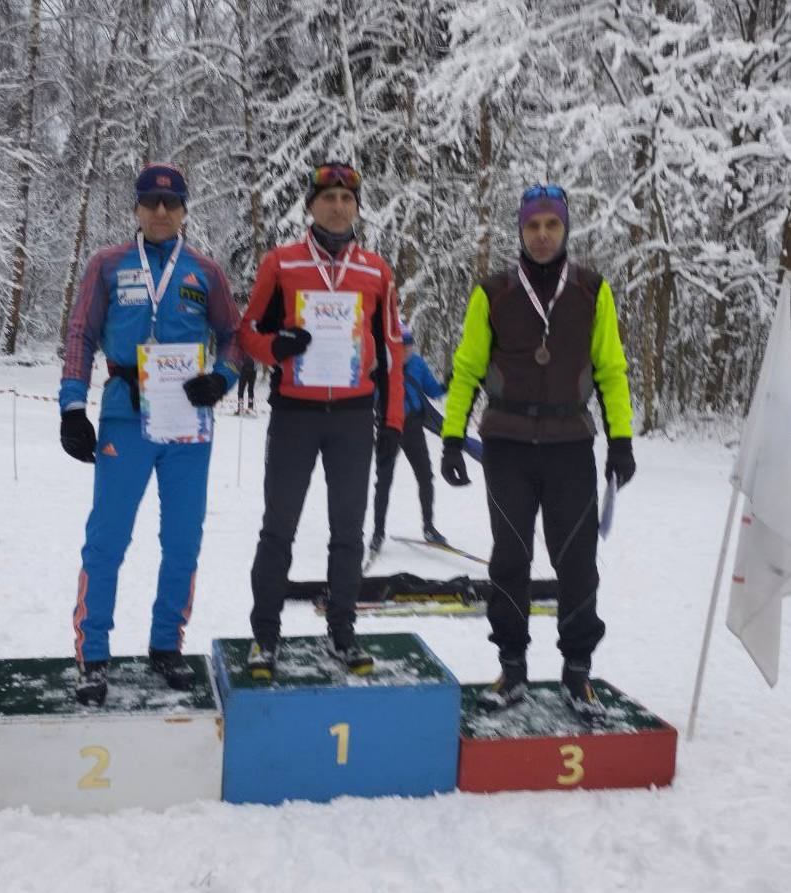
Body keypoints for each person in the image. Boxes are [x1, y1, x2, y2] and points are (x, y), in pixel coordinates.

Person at [440, 183, 635, 717]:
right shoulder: (494, 292)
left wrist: (620, 439)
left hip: (571, 443)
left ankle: (578, 672)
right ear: (520, 231)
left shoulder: (592, 290)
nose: (542, 235)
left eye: (552, 225)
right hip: (507, 446)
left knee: (578, 562)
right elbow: (467, 370)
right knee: (510, 559)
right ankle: (512, 668)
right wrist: (453, 437)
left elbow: (611, 370)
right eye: (533, 226)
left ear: (565, 229)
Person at [59, 162, 241, 706]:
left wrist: (223, 378)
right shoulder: (108, 264)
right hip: (125, 418)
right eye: (151, 202)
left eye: (171, 203)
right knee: (108, 539)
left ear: (184, 210)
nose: (161, 211)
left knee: (183, 541)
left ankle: (166, 645)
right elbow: (80, 334)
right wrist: (73, 407)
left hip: (188, 424)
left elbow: (234, 335)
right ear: (136, 208)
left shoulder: (205, 271)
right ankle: (93, 654)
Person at [240, 162, 404, 679]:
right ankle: (265, 636)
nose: (337, 206)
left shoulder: (376, 271)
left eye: (347, 199)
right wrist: (276, 347)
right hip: (295, 415)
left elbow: (392, 349)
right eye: (328, 197)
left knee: (348, 533)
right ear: (310, 205)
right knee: (278, 529)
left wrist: (393, 419)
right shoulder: (281, 263)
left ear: (357, 208)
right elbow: (247, 331)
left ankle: (342, 633)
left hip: (352, 417)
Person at [369, 325, 447, 554]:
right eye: (402, 346)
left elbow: (434, 391)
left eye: (409, 346)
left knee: (425, 476)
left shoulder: (418, 364)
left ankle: (429, 527)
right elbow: (368, 394)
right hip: (387, 428)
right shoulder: (380, 364)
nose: (406, 351)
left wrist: (450, 381)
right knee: (383, 481)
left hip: (413, 428)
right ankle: (378, 532)